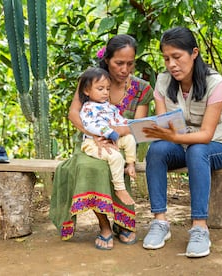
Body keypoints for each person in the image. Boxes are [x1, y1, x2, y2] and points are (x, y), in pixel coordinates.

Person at [49, 34, 154, 250]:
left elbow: (137, 126)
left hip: (122, 142)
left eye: (130, 63)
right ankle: (105, 225)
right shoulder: (91, 79)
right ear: (107, 60)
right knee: (92, 166)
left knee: (118, 160)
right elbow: (74, 113)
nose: (125, 69)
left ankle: (123, 220)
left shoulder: (142, 88)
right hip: (91, 142)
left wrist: (112, 132)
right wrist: (94, 134)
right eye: (119, 63)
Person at [141, 27, 222, 258]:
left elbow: (206, 135)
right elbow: (165, 125)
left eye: (177, 57)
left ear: (194, 53)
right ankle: (160, 222)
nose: (171, 64)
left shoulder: (216, 83)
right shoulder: (163, 82)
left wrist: (173, 137)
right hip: (181, 144)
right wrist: (158, 133)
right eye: (166, 58)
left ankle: (199, 227)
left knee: (197, 150)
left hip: (216, 146)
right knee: (156, 150)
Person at [78, 67, 136, 205]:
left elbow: (119, 120)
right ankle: (119, 189)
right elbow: (90, 125)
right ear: (87, 91)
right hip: (92, 143)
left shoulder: (109, 107)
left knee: (130, 139)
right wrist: (109, 132)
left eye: (107, 89)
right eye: (100, 89)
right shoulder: (87, 108)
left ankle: (130, 165)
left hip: (112, 139)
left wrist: (130, 125)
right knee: (115, 157)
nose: (105, 92)